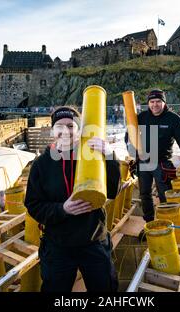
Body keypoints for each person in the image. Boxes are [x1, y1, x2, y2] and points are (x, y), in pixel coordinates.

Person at [25, 106, 120, 292]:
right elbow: (33, 205)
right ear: (53, 130)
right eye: (59, 126)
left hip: (93, 239)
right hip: (58, 244)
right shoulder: (41, 165)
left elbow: (112, 191)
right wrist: (63, 209)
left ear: (78, 129)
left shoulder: (91, 157)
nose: (65, 131)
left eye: (70, 126)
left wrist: (110, 156)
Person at [129, 89, 180, 241]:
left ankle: (167, 226)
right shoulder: (142, 117)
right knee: (144, 194)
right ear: (148, 104)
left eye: (158, 101)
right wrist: (134, 155)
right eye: (152, 102)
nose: (155, 105)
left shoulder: (173, 119)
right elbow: (130, 134)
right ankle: (150, 225)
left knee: (164, 195)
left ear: (164, 102)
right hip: (145, 162)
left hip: (162, 163)